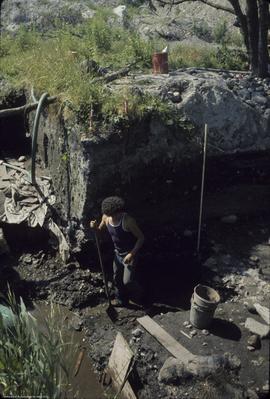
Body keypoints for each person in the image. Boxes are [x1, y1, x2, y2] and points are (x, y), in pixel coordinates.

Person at [90, 196, 144, 307]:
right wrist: (95, 227)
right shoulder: (106, 217)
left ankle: (143, 298)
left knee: (128, 282)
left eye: (114, 215)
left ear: (119, 211)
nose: (112, 217)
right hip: (118, 254)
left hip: (130, 254)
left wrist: (131, 254)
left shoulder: (128, 221)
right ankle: (122, 299)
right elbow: (100, 232)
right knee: (116, 279)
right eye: (110, 215)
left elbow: (141, 238)